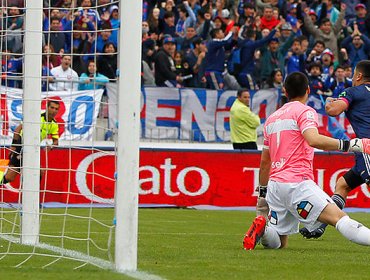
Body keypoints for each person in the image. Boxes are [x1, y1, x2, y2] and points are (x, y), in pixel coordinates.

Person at [242, 72, 370, 250]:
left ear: (285, 91)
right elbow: (314, 140)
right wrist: (353, 145)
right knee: (340, 219)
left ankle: (263, 230)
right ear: (308, 90)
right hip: (297, 184)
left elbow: (265, 162)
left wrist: (262, 195)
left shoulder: (271, 119)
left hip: (276, 186)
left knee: (280, 243)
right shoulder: (305, 112)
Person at [300, 60, 370, 239]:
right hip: (363, 151)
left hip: (367, 148)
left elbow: (333, 110)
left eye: (354, 73)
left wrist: (331, 101)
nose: (353, 77)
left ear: (359, 76)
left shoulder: (353, 91)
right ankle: (320, 226)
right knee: (343, 184)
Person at [0, 100, 60, 185]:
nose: (54, 111)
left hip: (33, 149)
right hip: (21, 145)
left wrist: (51, 146)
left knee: (38, 173)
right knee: (10, 177)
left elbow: (56, 141)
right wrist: (13, 146)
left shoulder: (54, 124)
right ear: (46, 108)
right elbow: (18, 130)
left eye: (56, 109)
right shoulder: (36, 117)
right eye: (52, 107)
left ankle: (30, 195)